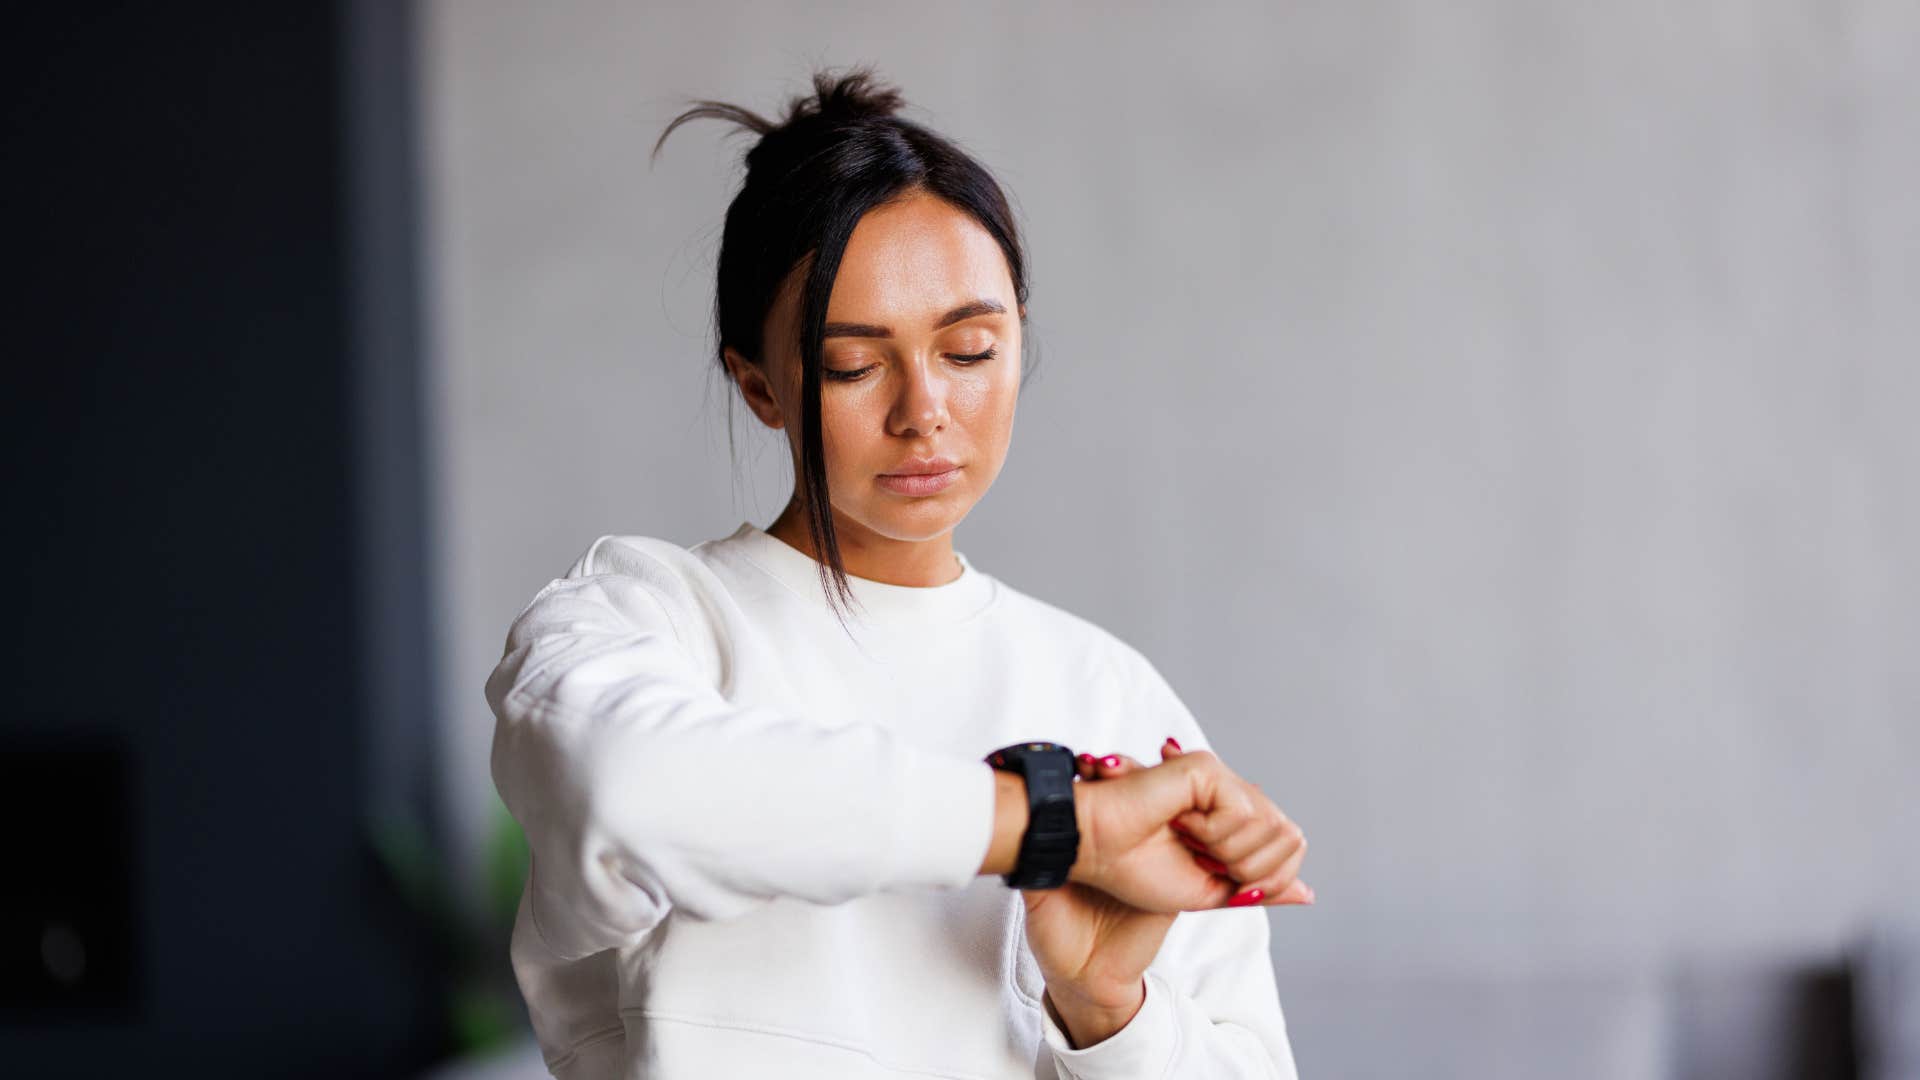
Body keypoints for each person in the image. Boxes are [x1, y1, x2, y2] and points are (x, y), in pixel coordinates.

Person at [485, 65, 1313, 1079]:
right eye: (852, 363)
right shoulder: (644, 623)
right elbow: (624, 792)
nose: (924, 410)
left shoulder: (1109, 694)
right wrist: (1050, 826)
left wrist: (1106, 1009)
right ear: (759, 386)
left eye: (969, 348)